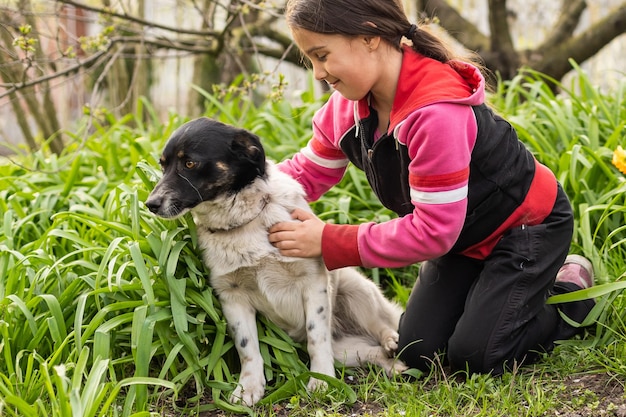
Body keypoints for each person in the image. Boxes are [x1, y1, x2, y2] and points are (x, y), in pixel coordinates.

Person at [268, 0, 595, 375]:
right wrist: (246, 192)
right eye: (312, 60)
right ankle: (491, 295)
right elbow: (305, 173)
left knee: (477, 356)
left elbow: (433, 231)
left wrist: (329, 241)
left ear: (370, 37)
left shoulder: (435, 114)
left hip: (525, 227)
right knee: (419, 351)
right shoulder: (346, 109)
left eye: (322, 56)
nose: (318, 73)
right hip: (463, 237)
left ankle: (568, 293)